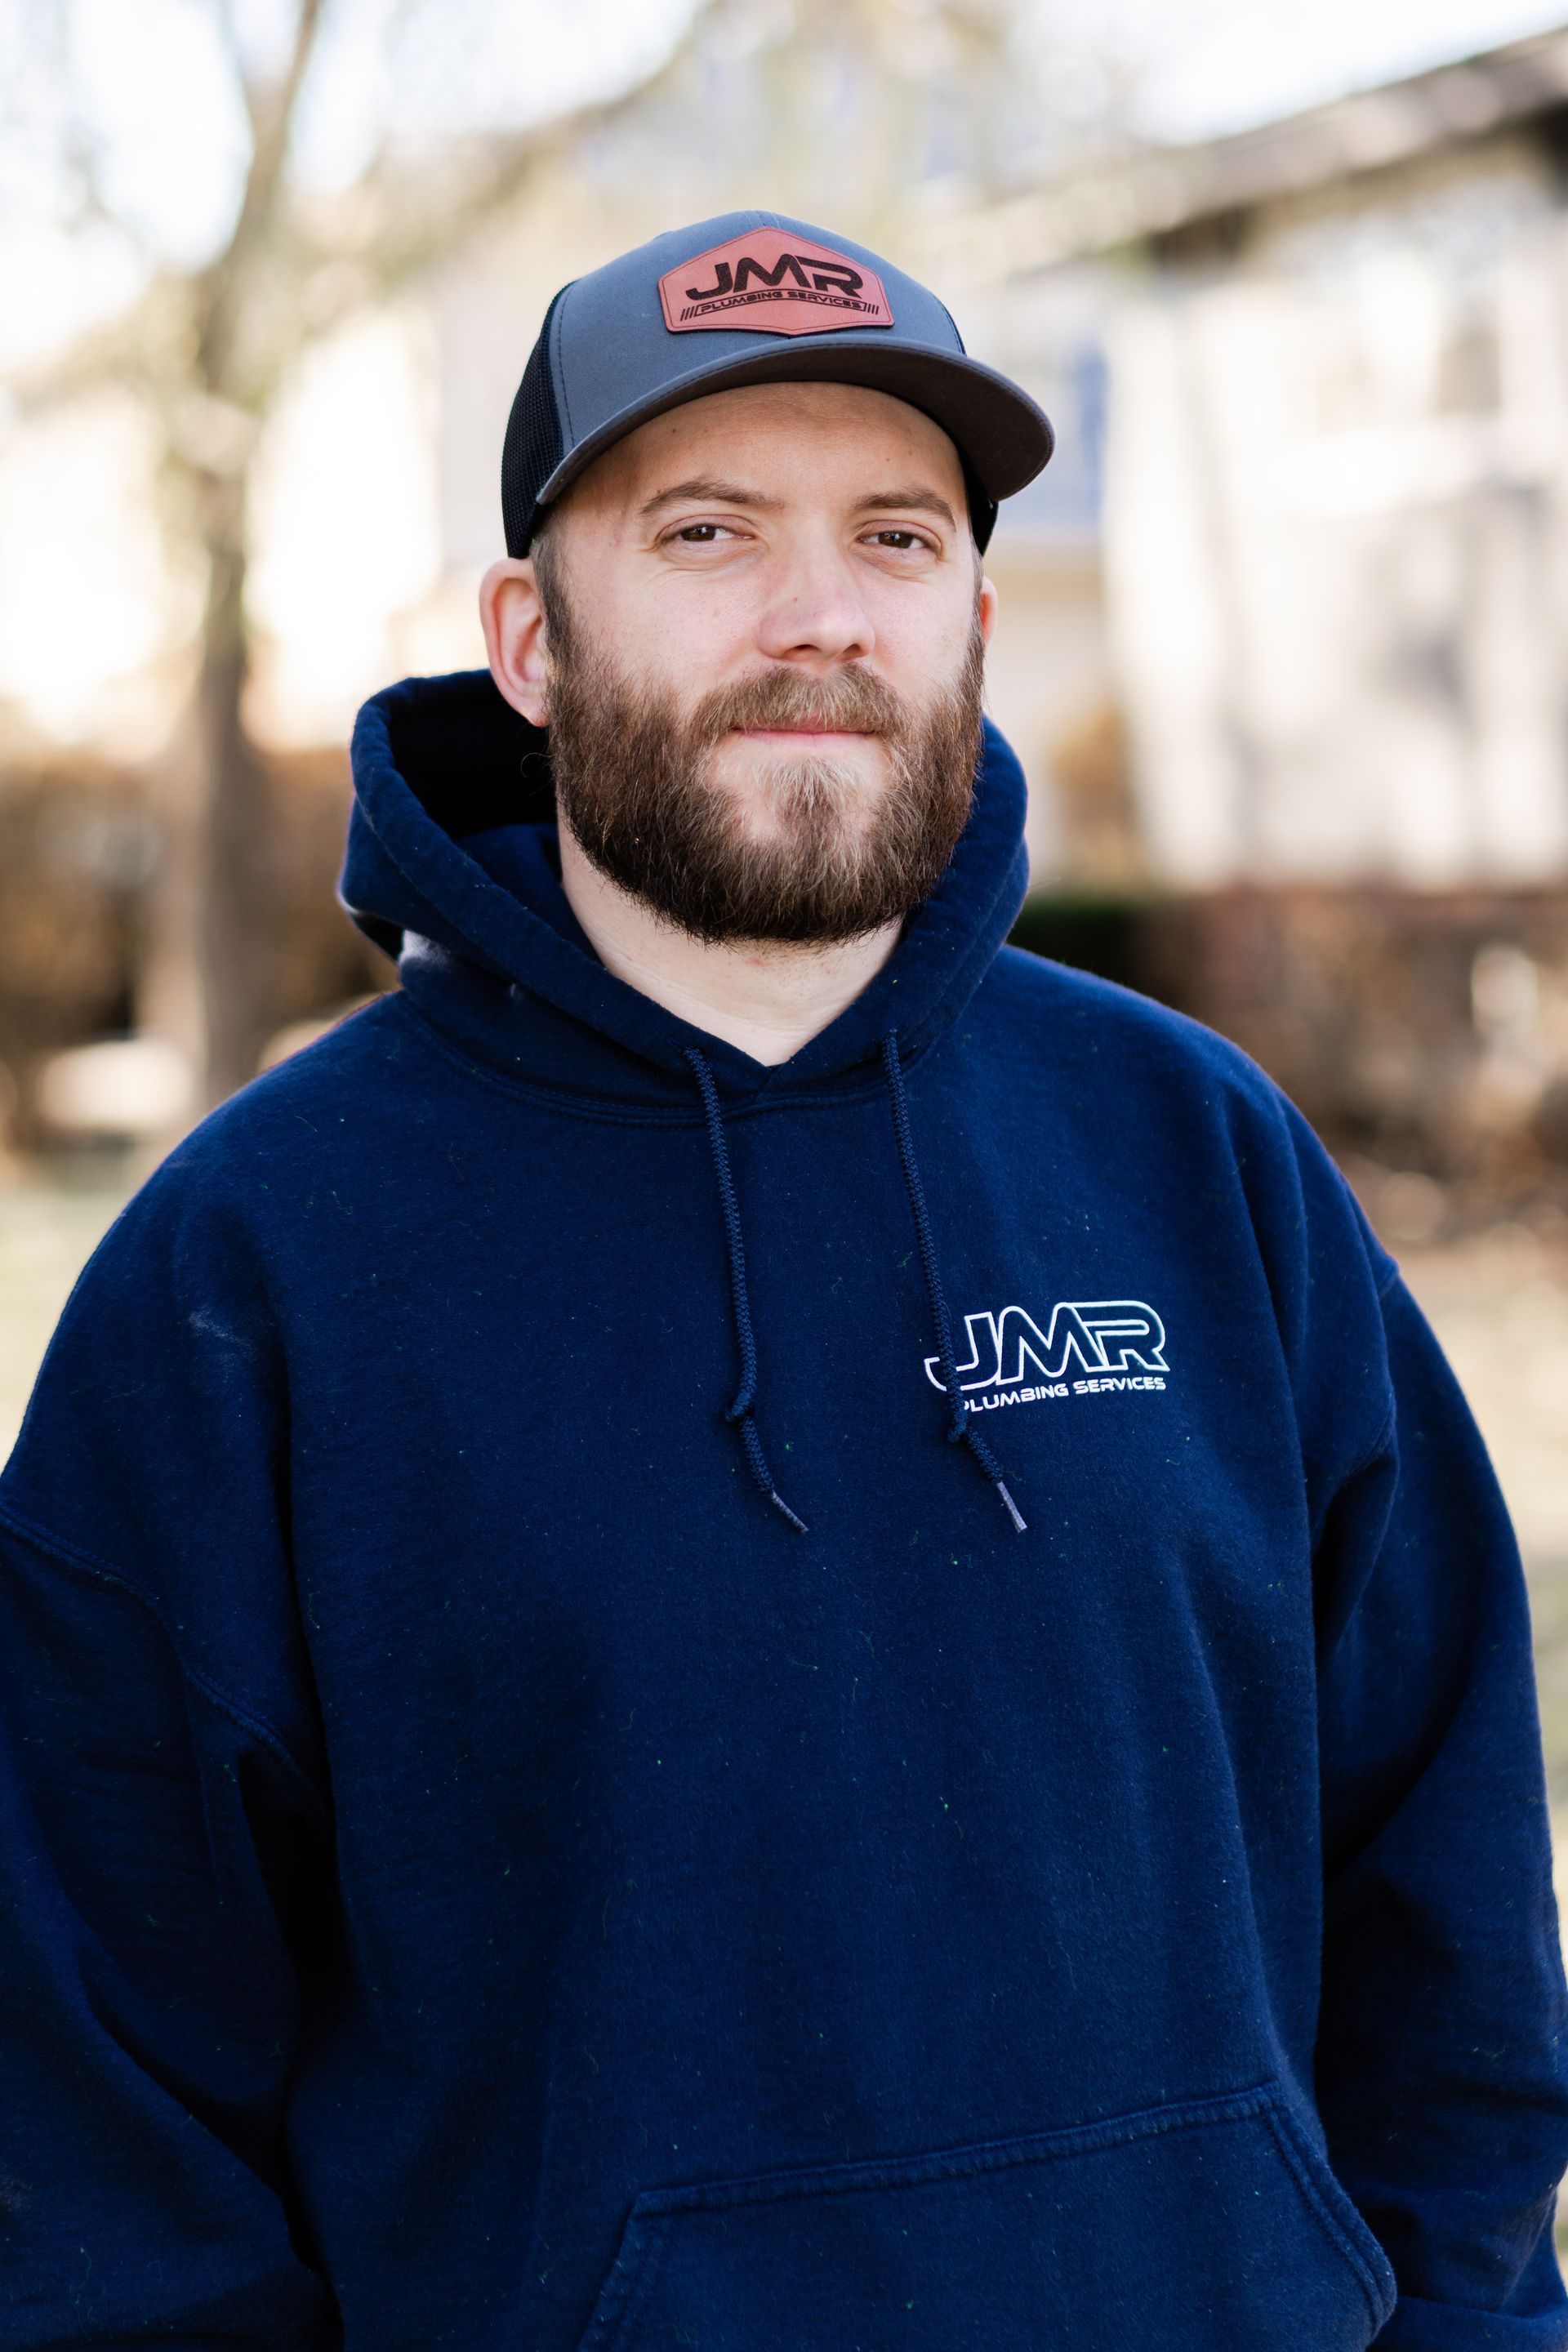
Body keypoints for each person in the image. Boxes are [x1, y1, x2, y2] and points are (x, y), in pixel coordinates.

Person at [1, 211, 1565, 2352]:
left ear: (981, 621)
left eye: (899, 540)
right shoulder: (257, 1274)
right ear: (532, 641)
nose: (822, 617)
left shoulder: (1203, 1164)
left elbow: (1450, 1917)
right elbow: (96, 2118)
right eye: (713, 532)